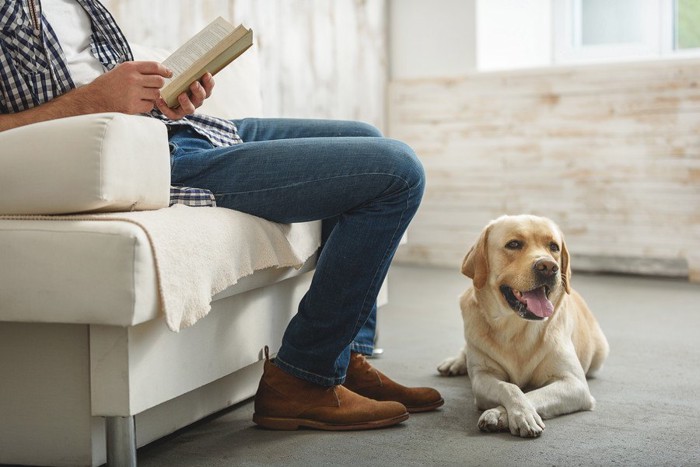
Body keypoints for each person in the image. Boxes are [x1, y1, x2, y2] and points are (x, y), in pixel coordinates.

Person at [0, 0, 444, 430]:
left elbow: (113, 93)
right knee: (395, 171)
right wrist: (95, 101)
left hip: (178, 129)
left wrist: (165, 98)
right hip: (150, 160)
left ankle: (344, 356)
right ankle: (304, 377)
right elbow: (91, 103)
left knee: (365, 136)